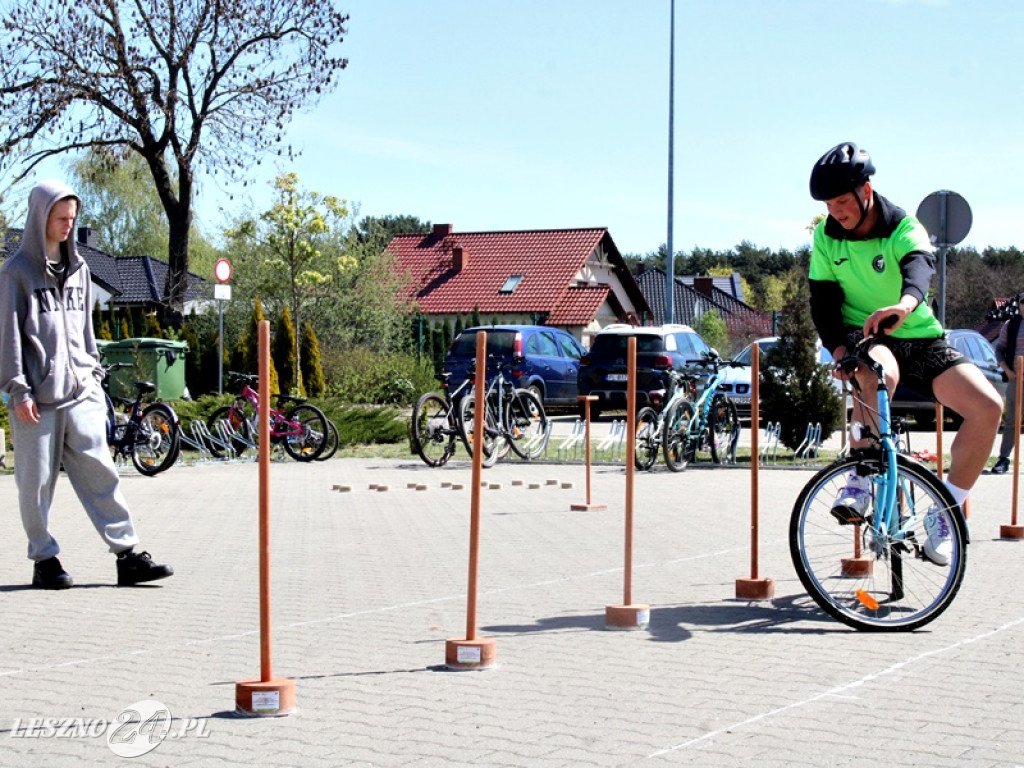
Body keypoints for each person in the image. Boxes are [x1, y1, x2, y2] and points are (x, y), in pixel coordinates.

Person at [807, 142, 1003, 566]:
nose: (836, 211)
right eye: (829, 204)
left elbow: (919, 270)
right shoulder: (826, 237)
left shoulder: (902, 226)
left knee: (989, 406)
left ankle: (945, 514)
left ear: (866, 190)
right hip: (869, 335)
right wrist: (839, 348)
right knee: (879, 370)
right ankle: (859, 479)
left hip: (919, 335)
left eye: (842, 202)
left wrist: (905, 305)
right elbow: (822, 303)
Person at [0, 179, 174, 589]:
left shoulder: (80, 270)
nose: (67, 226)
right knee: (36, 481)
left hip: (81, 391)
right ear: (40, 217)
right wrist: (18, 388)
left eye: (72, 219)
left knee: (101, 471)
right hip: (36, 398)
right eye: (60, 218)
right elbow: (7, 337)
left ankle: (127, 556)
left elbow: (84, 329)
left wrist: (94, 375)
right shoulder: (15, 274)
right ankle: (45, 560)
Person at [991, 296, 1024, 474]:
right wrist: (1007, 370)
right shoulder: (1011, 325)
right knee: (1012, 420)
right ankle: (1004, 459)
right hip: (1016, 379)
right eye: (1022, 304)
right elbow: (1000, 349)